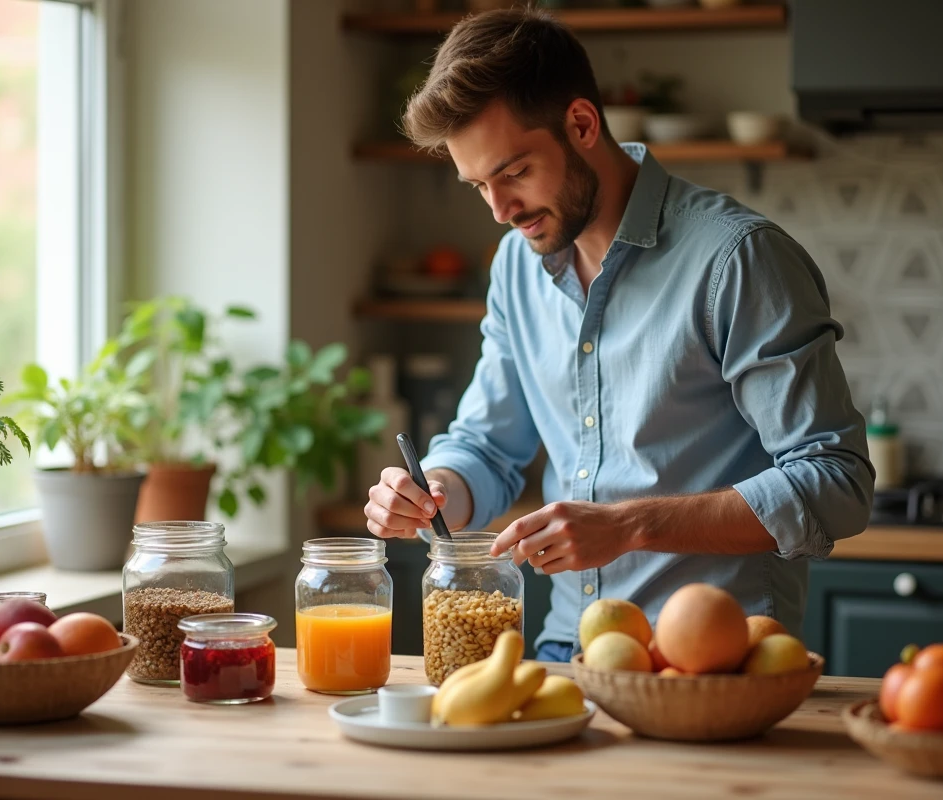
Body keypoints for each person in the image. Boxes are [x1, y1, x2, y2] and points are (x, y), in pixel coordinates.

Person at [363, 7, 873, 663]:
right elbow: (487, 448)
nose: (499, 209)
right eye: (479, 185)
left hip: (715, 666)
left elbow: (837, 486)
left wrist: (630, 526)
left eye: (515, 172)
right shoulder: (517, 265)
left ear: (581, 124)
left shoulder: (738, 260)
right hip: (565, 651)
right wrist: (433, 490)